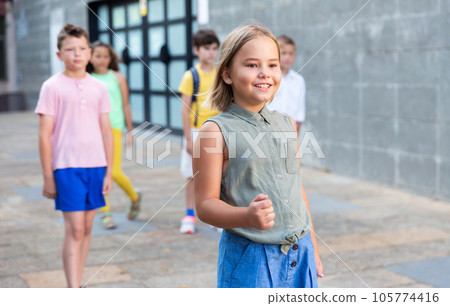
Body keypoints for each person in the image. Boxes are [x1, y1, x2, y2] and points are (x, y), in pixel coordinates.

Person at [193, 25, 324, 288]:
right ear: (227, 73)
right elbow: (205, 205)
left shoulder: (287, 123)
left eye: (272, 65)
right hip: (251, 259)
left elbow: (296, 187)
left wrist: (315, 251)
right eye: (252, 65)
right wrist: (247, 216)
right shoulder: (214, 131)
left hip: (301, 251)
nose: (265, 73)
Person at [36, 24, 113, 287]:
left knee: (89, 228)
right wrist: (48, 177)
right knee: (76, 228)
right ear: (60, 55)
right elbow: (44, 135)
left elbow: (106, 133)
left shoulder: (99, 87)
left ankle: (78, 283)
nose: (76, 54)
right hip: (66, 167)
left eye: (82, 49)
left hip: (96, 166)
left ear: (90, 53)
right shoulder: (51, 87)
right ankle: (72, 289)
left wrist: (109, 172)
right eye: (70, 49)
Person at [87, 41, 141, 229]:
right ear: (90, 57)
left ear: (111, 58)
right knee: (99, 172)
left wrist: (130, 131)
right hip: (93, 131)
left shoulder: (118, 78)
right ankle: (106, 212)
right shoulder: (87, 79)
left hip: (115, 128)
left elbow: (126, 104)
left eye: (105, 56)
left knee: (114, 172)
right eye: (98, 56)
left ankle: (134, 197)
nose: (102, 60)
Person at [178, 29, 220, 234]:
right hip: (196, 131)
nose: (211, 53)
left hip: (216, 131)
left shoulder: (221, 73)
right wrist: (187, 138)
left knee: (216, 174)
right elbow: (185, 109)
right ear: (197, 50)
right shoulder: (190, 76)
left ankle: (215, 215)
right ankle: (189, 215)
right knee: (192, 176)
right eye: (206, 48)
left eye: (214, 49)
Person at [267, 35, 305, 134]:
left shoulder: (299, 80)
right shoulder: (268, 77)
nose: (287, 57)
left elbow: (300, 113)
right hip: (269, 131)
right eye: (283, 53)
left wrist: (295, 136)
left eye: (291, 53)